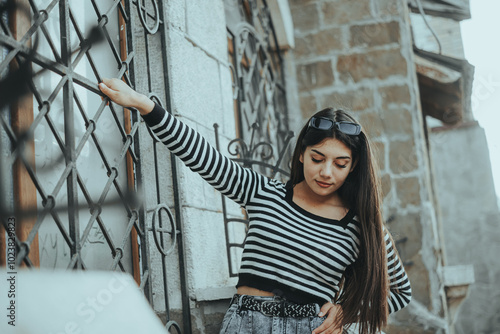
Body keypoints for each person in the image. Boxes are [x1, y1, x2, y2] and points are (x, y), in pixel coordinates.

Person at [99, 78, 412, 334]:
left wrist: (348, 312)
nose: (326, 172)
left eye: (340, 164)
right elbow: (204, 157)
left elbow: (400, 292)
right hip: (245, 324)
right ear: (301, 153)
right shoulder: (263, 192)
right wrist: (146, 106)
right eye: (317, 158)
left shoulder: (363, 227)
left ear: (353, 167)